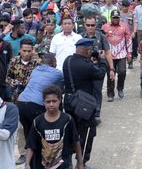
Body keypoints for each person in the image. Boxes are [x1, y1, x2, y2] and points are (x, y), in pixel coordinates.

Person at [62, 38, 109, 166]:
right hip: (84, 107)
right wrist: (102, 60)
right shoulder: (87, 66)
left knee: (70, 133)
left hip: (69, 102)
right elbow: (100, 74)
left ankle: (67, 162)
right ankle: (81, 162)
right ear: (88, 51)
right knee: (88, 133)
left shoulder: (67, 61)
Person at [25, 85, 84, 169]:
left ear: (59, 101)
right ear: (43, 103)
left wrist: (80, 163)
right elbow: (30, 145)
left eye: (54, 101)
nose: (51, 104)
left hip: (63, 166)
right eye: (48, 102)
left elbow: (76, 142)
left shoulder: (67, 120)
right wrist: (27, 164)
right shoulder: (37, 121)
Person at [16, 53, 64, 153]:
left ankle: (28, 157)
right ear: (54, 63)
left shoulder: (35, 70)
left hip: (21, 102)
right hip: (35, 104)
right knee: (42, 132)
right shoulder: (57, 73)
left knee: (28, 131)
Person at [102, 10, 132, 101]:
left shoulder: (124, 27)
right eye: (114, 17)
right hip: (109, 55)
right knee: (111, 74)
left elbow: (128, 40)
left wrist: (129, 53)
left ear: (120, 18)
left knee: (122, 72)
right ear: (110, 18)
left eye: (117, 18)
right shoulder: (105, 27)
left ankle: (120, 88)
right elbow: (102, 40)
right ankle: (110, 93)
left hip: (121, 54)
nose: (115, 19)